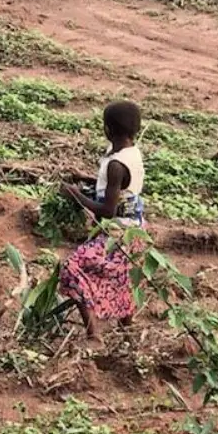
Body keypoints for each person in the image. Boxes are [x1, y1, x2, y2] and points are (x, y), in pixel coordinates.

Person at [58, 100, 146, 340]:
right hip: (135, 230)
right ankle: (129, 329)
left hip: (118, 235)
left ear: (108, 129)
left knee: (72, 268)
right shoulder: (130, 153)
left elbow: (108, 209)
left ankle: (93, 334)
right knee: (121, 278)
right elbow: (118, 189)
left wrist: (76, 195)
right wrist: (86, 179)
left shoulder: (116, 165)